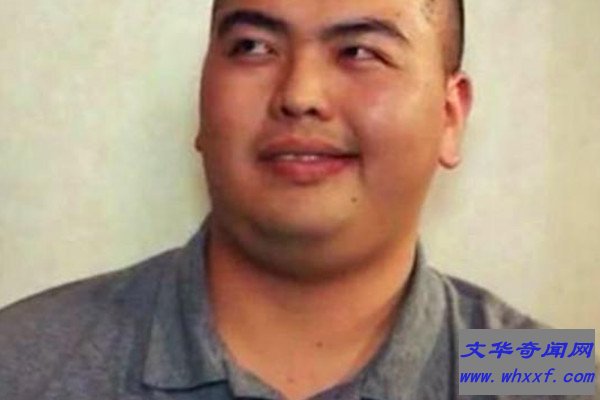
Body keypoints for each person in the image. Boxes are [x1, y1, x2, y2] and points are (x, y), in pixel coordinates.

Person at [0, 0, 593, 399]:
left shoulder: (548, 371)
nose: (300, 94)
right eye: (253, 46)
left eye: (359, 51)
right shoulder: (24, 358)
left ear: (449, 115)